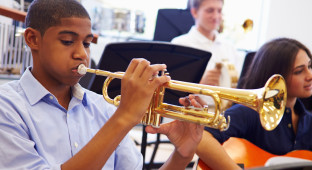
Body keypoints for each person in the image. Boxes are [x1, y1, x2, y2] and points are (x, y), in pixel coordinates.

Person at [0, 0, 204, 169]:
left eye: (87, 43)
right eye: (68, 41)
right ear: (32, 39)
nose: (81, 54)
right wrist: (124, 116)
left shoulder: (102, 107)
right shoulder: (7, 106)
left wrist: (181, 156)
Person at [180, 37, 312, 169]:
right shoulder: (248, 113)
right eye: (299, 71)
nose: (310, 75)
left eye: (310, 66)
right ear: (277, 76)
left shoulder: (308, 121)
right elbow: (201, 138)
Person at [171, 0, 242, 86]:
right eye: (210, 10)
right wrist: (201, 82)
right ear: (194, 12)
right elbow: (173, 90)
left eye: (219, 11)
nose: (216, 16)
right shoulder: (179, 44)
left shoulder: (230, 47)